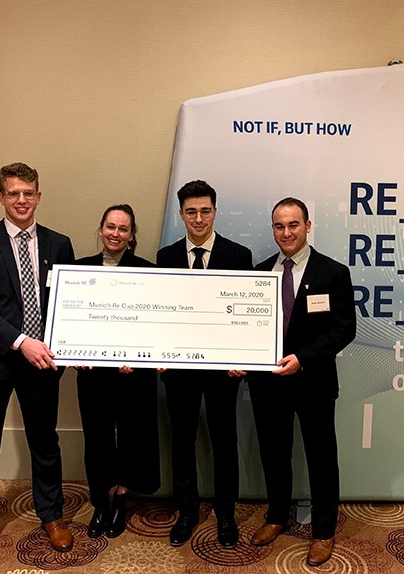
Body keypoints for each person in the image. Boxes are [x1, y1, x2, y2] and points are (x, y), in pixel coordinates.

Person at [0, 162, 75, 571]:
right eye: (13, 193)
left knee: (45, 443)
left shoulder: (59, 244)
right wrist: (21, 342)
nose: (21, 200)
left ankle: (52, 516)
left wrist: (75, 348)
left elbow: (70, 304)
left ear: (39, 196)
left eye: (29, 193)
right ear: (1, 197)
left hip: (42, 364)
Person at [247, 197, 356, 567]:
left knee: (321, 458)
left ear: (308, 226)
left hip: (314, 381)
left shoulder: (333, 272)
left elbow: (345, 329)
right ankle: (277, 516)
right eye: (279, 226)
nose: (286, 232)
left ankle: (324, 532)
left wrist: (304, 359)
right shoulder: (260, 274)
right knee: (274, 455)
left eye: (293, 224)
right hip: (268, 383)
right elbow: (247, 328)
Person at [156, 180, 253, 549]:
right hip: (178, 371)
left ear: (215, 211)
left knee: (223, 439)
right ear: (181, 214)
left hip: (222, 371)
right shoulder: (165, 257)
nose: (199, 218)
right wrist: (158, 353)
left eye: (206, 211)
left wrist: (242, 359)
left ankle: (225, 512)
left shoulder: (238, 255)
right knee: (181, 440)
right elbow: (161, 312)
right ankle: (187, 510)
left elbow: (246, 316)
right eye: (192, 211)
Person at [75, 204, 160, 538]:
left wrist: (139, 355)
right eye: (110, 226)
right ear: (101, 229)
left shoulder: (148, 271)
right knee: (96, 439)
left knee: (131, 436)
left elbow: (153, 323)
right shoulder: (78, 271)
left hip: (132, 374)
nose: (115, 234)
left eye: (123, 229)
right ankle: (100, 502)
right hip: (93, 373)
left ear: (132, 235)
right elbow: (71, 321)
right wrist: (73, 351)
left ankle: (121, 498)